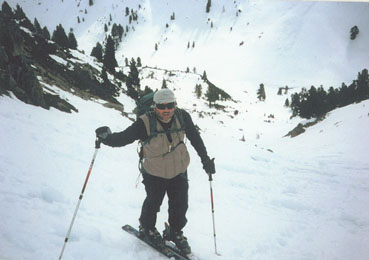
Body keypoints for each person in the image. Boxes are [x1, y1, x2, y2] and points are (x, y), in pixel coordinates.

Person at [95, 88, 215, 254]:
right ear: (155, 106)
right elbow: (123, 138)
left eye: (170, 106)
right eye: (162, 106)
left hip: (179, 169)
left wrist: (206, 160)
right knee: (153, 202)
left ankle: (175, 231)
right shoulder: (144, 122)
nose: (166, 110)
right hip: (154, 172)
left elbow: (195, 138)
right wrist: (107, 138)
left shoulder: (182, 117)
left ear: (175, 105)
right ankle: (147, 228)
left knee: (180, 204)